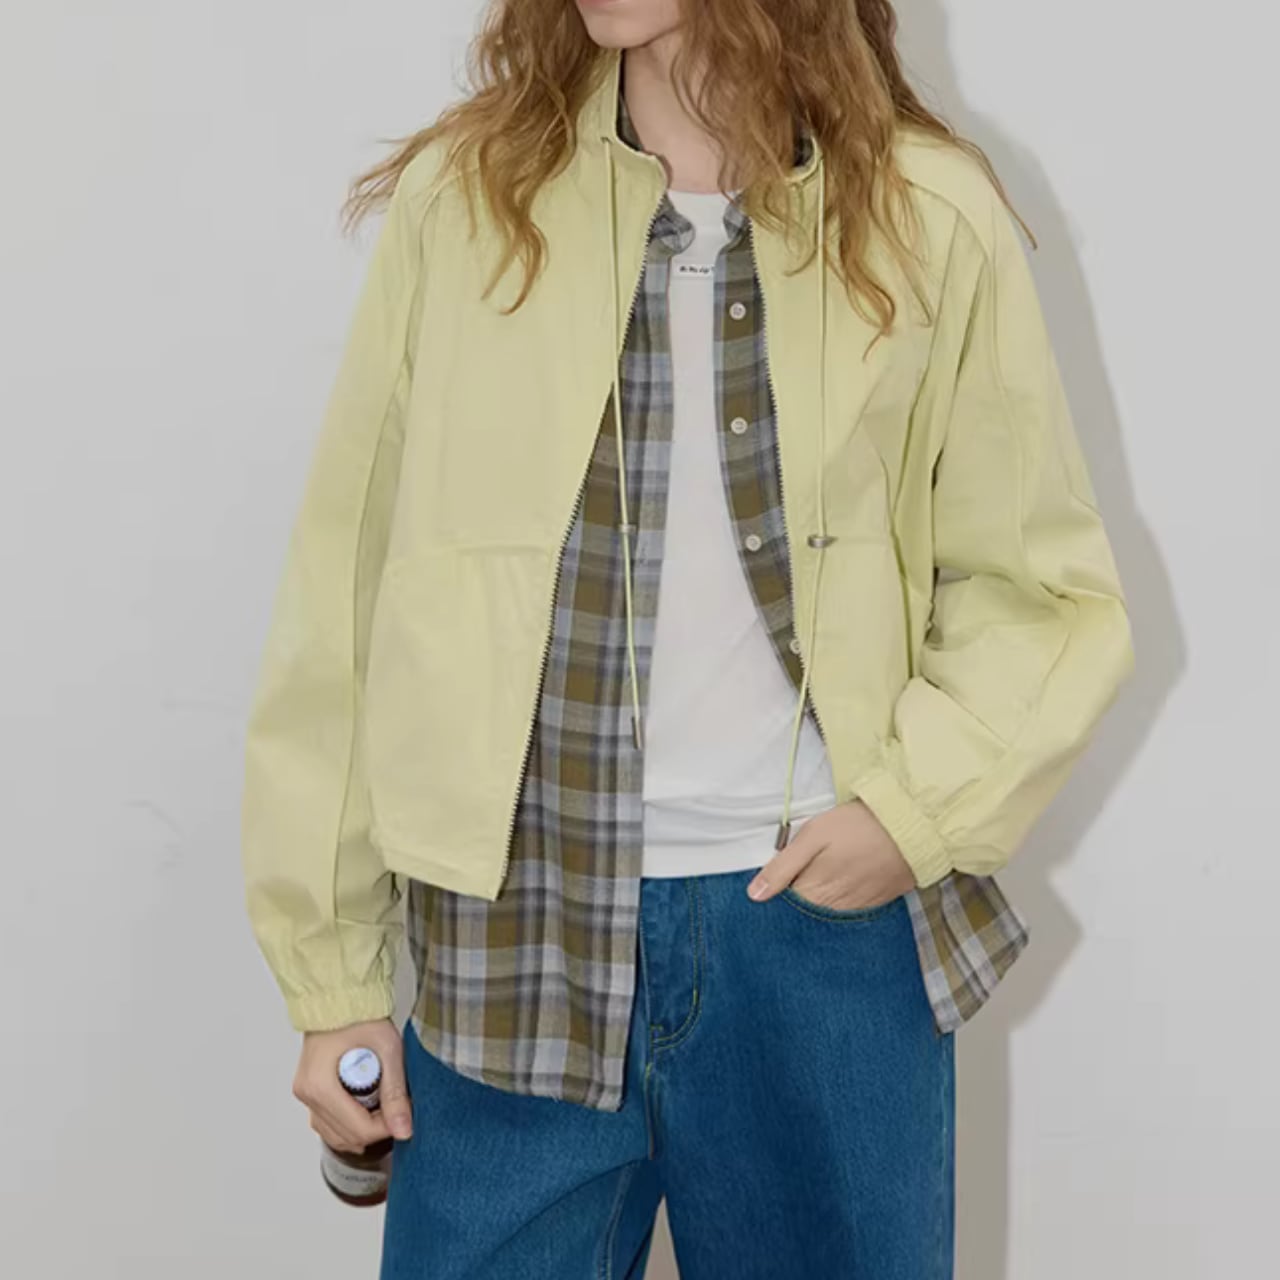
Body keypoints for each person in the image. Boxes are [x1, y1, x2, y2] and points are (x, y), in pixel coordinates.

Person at [241, 2, 1135, 1276]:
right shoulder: (468, 200)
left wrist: (911, 813)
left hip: (816, 938)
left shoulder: (924, 214)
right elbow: (347, 592)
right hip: (516, 920)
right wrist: (331, 976)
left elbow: (1038, 588)